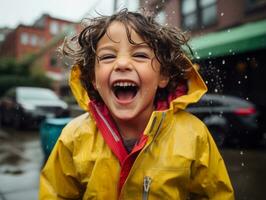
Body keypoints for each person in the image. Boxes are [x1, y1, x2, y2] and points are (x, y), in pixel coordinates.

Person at [39, 9, 234, 199]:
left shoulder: (194, 135)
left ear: (163, 75)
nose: (122, 64)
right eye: (108, 56)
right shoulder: (74, 137)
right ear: (93, 78)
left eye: (140, 55)